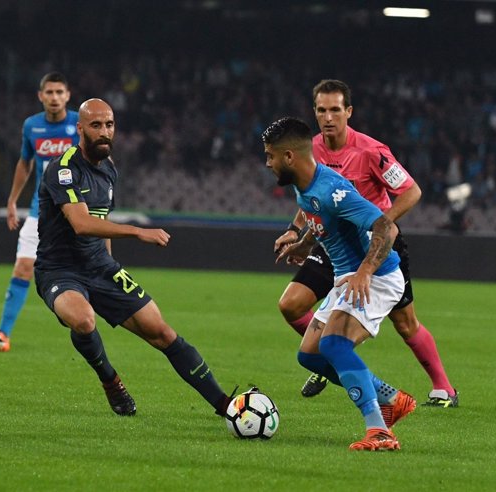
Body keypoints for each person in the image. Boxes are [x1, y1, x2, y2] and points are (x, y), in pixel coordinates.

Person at [34, 98, 232, 417]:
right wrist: (139, 232)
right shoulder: (64, 170)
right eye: (96, 125)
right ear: (80, 128)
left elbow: (103, 227)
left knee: (162, 332)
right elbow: (82, 225)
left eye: (109, 124)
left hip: (101, 268)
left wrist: (113, 269)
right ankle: (110, 380)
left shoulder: (109, 170)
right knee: (84, 321)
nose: (104, 132)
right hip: (60, 271)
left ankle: (225, 406)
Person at [275, 79, 457, 407]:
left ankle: (444, 388)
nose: (328, 117)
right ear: (314, 113)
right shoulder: (308, 148)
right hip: (332, 243)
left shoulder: (371, 151)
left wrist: (382, 224)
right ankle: (328, 357)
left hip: (374, 246)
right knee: (290, 304)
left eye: (335, 110)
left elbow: (412, 191)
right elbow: (311, 199)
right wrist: (295, 231)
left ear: (349, 112)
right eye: (321, 110)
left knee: (405, 323)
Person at [264, 116, 415, 451]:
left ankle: (379, 430)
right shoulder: (303, 188)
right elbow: (320, 221)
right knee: (310, 356)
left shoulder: (334, 190)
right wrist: (303, 244)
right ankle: (391, 398)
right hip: (346, 277)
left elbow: (385, 229)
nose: (268, 162)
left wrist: (363, 272)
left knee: (334, 346)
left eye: (271, 155)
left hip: (376, 276)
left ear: (289, 156)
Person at [0, 72, 78, 352]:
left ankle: (88, 323)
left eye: (60, 92)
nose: (55, 98)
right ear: (40, 96)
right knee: (23, 267)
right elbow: (25, 164)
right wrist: (11, 200)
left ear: (68, 96)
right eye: (50, 92)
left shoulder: (79, 124)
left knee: (85, 271)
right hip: (40, 210)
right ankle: (3, 334)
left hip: (75, 212)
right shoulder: (32, 126)